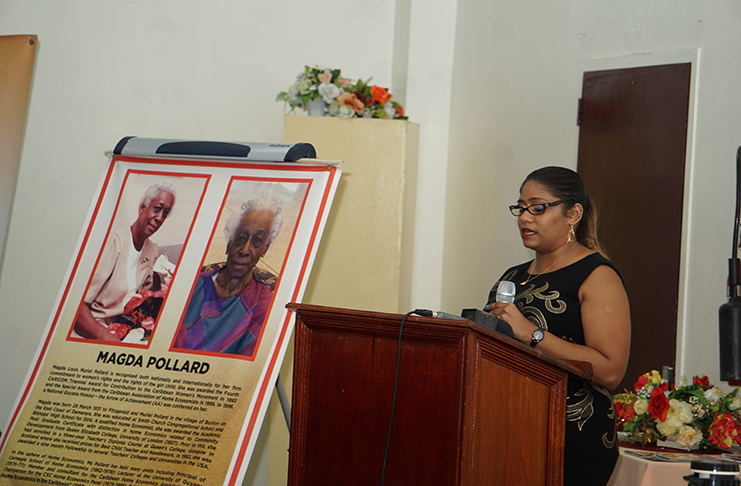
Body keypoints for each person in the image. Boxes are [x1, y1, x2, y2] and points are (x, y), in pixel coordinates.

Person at [484, 166, 630, 486]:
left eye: (537, 208)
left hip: (571, 441)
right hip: (510, 435)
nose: (524, 218)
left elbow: (610, 370)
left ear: (573, 213)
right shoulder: (512, 277)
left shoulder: (597, 275)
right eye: (520, 208)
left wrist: (531, 334)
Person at [174, 191, 283, 357]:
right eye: (241, 237)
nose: (245, 250)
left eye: (257, 241)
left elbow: (243, 368)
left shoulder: (261, 303)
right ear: (229, 242)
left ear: (265, 249)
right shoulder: (196, 284)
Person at [73, 181, 176, 341]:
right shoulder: (114, 243)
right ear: (142, 207)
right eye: (157, 209)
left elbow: (143, 299)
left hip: (125, 332)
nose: (159, 218)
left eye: (165, 213)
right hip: (94, 332)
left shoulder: (152, 250)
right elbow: (77, 306)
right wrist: (105, 336)